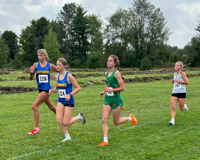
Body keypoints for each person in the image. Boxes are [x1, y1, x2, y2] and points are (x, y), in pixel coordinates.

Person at [98, 55, 137, 146]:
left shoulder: (117, 73)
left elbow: (122, 88)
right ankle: (105, 141)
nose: (108, 62)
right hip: (108, 99)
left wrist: (110, 90)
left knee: (116, 122)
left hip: (116, 100)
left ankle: (130, 118)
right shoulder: (106, 73)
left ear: (115, 63)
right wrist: (103, 91)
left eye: (110, 61)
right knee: (104, 119)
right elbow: (109, 86)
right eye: (108, 60)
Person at [49, 58, 86, 142]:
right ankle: (67, 137)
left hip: (69, 101)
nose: (57, 66)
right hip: (60, 101)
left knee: (66, 123)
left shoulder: (69, 76)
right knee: (59, 120)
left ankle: (79, 117)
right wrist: (52, 90)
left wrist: (70, 94)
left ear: (64, 66)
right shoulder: (57, 77)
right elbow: (57, 89)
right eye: (57, 64)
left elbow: (78, 88)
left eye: (59, 65)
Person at [28, 49, 59, 135]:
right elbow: (30, 79)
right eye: (38, 55)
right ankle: (64, 120)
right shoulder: (35, 65)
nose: (39, 57)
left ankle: (36, 128)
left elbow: (62, 72)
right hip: (41, 90)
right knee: (52, 108)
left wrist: (57, 77)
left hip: (47, 90)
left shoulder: (50, 65)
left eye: (41, 55)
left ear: (45, 56)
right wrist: (31, 73)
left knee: (34, 106)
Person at [169, 61, 189, 125]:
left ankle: (185, 106)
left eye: (177, 65)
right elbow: (176, 82)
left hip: (182, 92)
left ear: (180, 67)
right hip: (174, 92)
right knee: (173, 107)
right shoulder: (174, 74)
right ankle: (172, 121)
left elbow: (187, 82)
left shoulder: (183, 73)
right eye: (175, 65)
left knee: (181, 109)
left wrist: (179, 81)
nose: (176, 66)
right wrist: (173, 81)